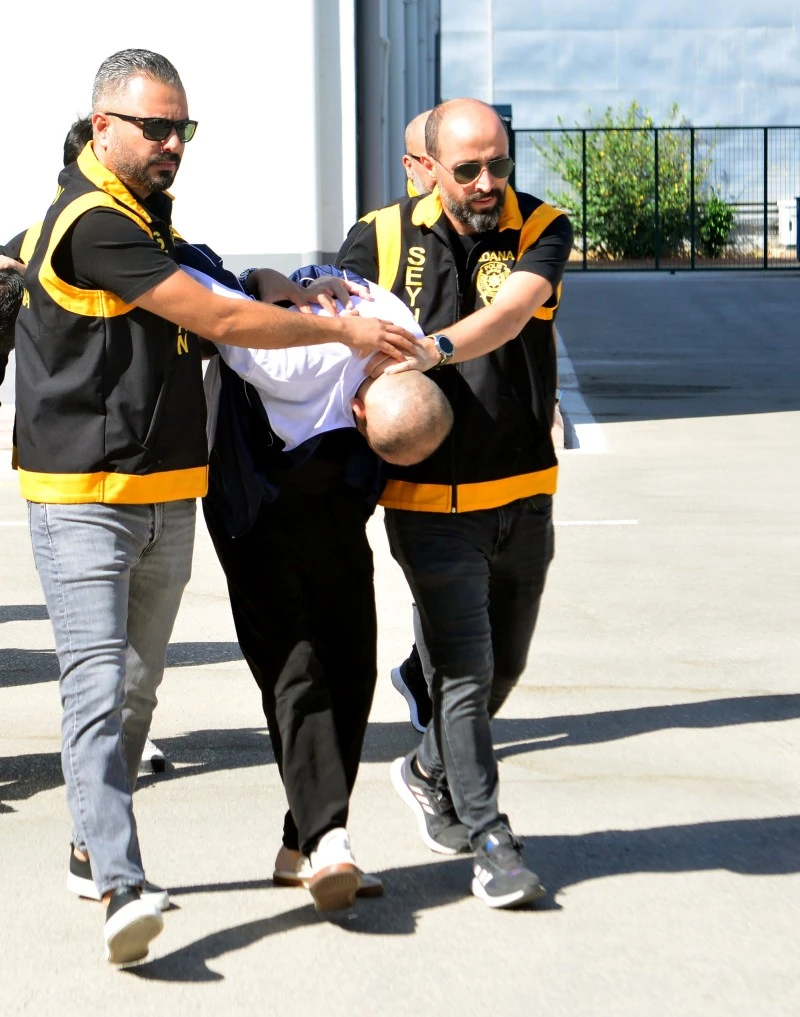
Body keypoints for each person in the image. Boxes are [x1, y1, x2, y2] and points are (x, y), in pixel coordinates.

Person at [14, 48, 416, 966]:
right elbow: (220, 319)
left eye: (182, 128)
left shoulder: (145, 219)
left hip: (166, 491)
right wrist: (340, 327)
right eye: (155, 127)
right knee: (94, 685)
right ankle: (121, 885)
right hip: (81, 499)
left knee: (136, 687)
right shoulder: (92, 223)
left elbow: (224, 283)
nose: (172, 144)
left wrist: (280, 281)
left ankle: (88, 841)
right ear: (101, 125)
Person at [337, 98, 574, 909]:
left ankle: (428, 765)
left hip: (522, 490)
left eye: (498, 163)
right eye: (467, 168)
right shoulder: (379, 237)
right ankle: (491, 840)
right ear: (427, 167)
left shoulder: (541, 224)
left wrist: (433, 350)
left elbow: (509, 316)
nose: (486, 182)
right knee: (466, 674)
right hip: (427, 502)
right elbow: (333, 329)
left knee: (504, 667)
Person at [190, 261, 449, 912]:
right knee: (295, 669)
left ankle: (297, 846)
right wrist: (267, 281)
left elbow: (339, 282)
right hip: (252, 498)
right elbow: (225, 306)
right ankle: (330, 841)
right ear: (357, 411)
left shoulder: (402, 333)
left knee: (351, 666)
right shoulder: (289, 363)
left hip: (333, 502)